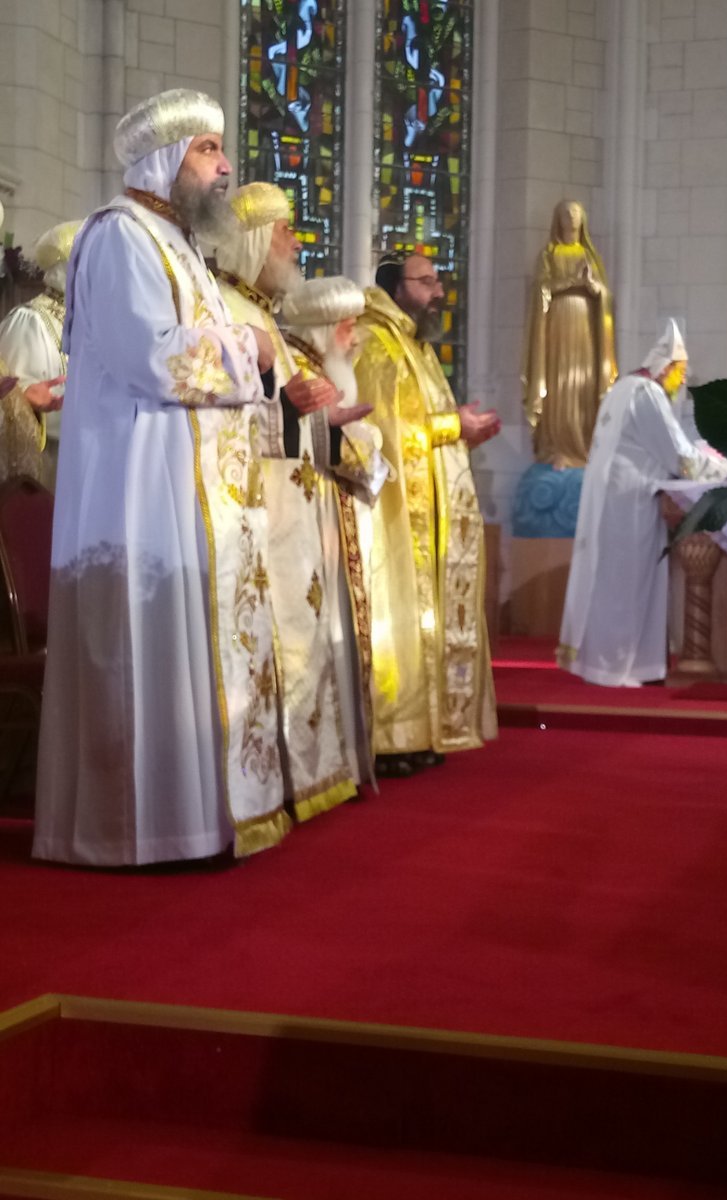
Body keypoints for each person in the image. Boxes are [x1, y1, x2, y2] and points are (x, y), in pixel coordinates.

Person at [33, 89, 291, 867]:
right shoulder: (120, 237)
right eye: (208, 151)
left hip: (188, 495)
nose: (224, 167)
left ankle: (197, 820)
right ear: (164, 159)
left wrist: (250, 347)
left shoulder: (180, 245)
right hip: (137, 495)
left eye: (220, 150)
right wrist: (251, 350)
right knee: (142, 654)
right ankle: (135, 831)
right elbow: (154, 355)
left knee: (187, 654)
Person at [213, 181, 372, 819]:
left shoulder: (266, 319)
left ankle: (303, 776)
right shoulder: (226, 309)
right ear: (254, 240)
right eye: (284, 231)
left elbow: (285, 417)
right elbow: (227, 421)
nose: (296, 241)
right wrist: (288, 404)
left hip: (292, 517)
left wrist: (324, 422)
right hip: (256, 517)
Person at [353, 253, 500, 777]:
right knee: (400, 626)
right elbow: (385, 433)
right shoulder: (375, 343)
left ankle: (427, 729)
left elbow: (427, 425)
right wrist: (452, 426)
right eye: (427, 282)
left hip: (432, 511)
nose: (439, 291)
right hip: (396, 516)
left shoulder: (415, 346)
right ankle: (394, 734)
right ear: (396, 287)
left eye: (439, 281)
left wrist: (463, 429)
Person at [558, 319, 727, 688]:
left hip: (613, 498)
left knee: (611, 580)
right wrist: (726, 467)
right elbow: (679, 457)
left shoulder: (623, 388)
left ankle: (607, 662)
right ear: (666, 366)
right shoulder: (647, 395)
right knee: (627, 583)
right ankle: (621, 667)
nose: (682, 381)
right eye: (680, 372)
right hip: (629, 503)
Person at [281, 275, 392, 791]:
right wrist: (348, 434)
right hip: (301, 536)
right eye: (347, 327)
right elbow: (301, 445)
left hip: (330, 527)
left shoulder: (323, 366)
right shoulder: (299, 369)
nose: (354, 338)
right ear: (326, 329)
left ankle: (343, 760)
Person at [522, 199, 617, 469]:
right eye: (566, 213)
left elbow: (605, 297)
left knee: (583, 386)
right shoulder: (549, 254)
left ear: (583, 219)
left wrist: (593, 287)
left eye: (576, 213)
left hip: (585, 328)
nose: (571, 217)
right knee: (559, 385)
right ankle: (557, 446)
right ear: (558, 219)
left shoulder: (590, 256)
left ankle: (583, 446)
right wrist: (569, 283)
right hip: (557, 327)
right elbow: (541, 290)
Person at [0, 217, 74, 485]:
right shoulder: (29, 320)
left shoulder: (91, 323)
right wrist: (25, 396)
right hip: (46, 462)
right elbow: (12, 400)